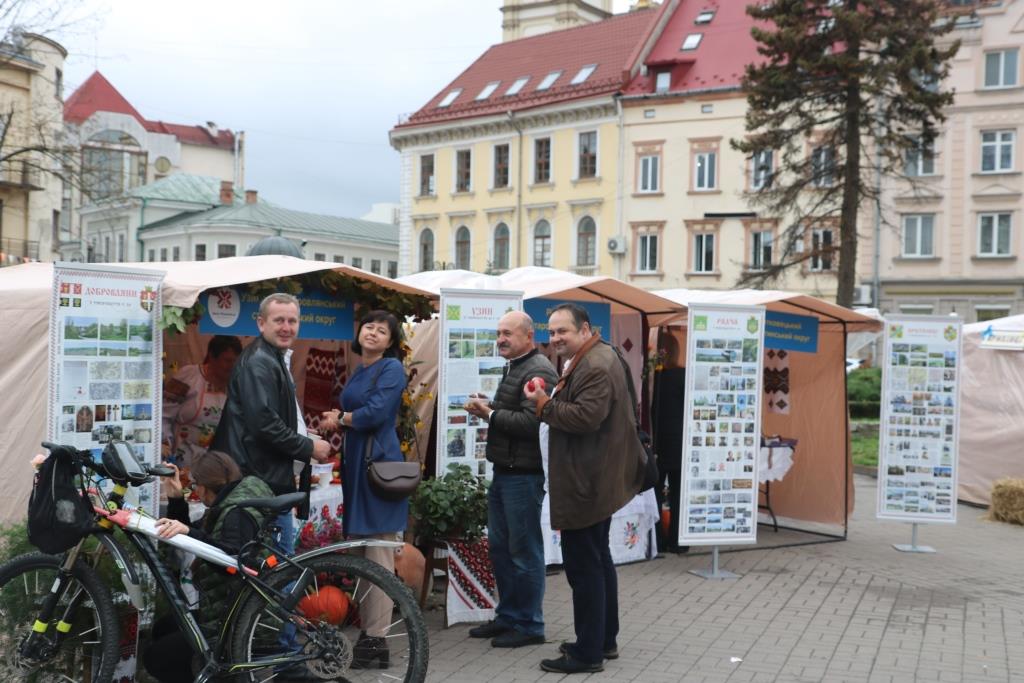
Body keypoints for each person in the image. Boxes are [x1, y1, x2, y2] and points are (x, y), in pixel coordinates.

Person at [523, 303, 645, 675]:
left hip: (588, 481)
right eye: (553, 332)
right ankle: (603, 640)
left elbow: (584, 418)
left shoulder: (595, 364)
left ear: (585, 329)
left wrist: (543, 404)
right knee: (598, 560)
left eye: (564, 332)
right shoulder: (597, 356)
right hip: (595, 477)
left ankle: (588, 653)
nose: (556, 338)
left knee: (584, 567)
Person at [320, 310, 409, 669]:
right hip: (359, 464)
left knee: (378, 554)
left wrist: (340, 418)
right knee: (363, 554)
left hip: (378, 467)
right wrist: (339, 418)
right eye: (368, 327)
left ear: (391, 341)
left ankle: (376, 641)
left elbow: (374, 414)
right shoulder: (360, 369)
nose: (373, 332)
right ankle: (370, 633)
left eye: (382, 330)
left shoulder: (391, 369)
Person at [463, 311, 557, 648]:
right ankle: (508, 616)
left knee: (524, 552)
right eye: (499, 332)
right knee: (502, 550)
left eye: (508, 333)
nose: (501, 339)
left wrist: (488, 413)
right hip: (506, 472)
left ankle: (530, 626)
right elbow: (517, 410)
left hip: (524, 476)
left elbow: (534, 423)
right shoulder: (518, 365)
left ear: (528, 336)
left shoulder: (539, 369)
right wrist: (490, 405)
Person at [211, 292, 332, 554]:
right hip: (257, 483)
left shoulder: (272, 356)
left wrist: (301, 432)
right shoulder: (258, 362)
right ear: (261, 323)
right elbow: (264, 424)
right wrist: (308, 447)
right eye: (279, 320)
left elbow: (269, 415)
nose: (286, 328)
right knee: (274, 573)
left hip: (265, 480)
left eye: (292, 321)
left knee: (272, 569)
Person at [144, 450, 273, 683]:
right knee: (164, 627)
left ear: (204, 486)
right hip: (228, 609)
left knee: (156, 657)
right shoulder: (233, 500)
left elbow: (232, 562)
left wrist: (189, 531)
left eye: (193, 485)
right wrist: (176, 499)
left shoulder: (236, 513)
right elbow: (195, 535)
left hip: (242, 623)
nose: (194, 490)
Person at [162, 335, 242, 468]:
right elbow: (164, 415)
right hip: (182, 457)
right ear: (211, 357)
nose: (232, 366)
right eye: (227, 360)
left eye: (235, 361)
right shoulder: (189, 376)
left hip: (215, 462)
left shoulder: (236, 385)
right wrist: (165, 444)